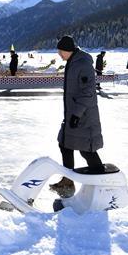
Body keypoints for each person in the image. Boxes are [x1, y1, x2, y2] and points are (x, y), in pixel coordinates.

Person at [49, 36, 106, 195]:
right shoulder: (73, 62)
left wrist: (76, 114)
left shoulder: (83, 64)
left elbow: (88, 93)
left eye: (61, 51)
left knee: (86, 150)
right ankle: (68, 181)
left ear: (68, 50)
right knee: (65, 144)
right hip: (73, 113)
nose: (59, 54)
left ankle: (102, 181)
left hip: (84, 116)